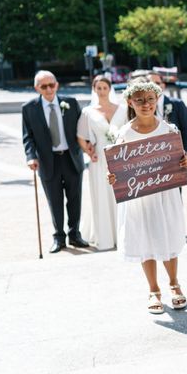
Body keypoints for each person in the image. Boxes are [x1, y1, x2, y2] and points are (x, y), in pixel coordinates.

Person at [107, 79, 187, 313]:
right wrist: (113, 177)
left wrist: (186, 160)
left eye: (150, 100)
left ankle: (175, 284)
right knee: (145, 238)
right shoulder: (124, 134)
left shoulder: (169, 130)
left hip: (165, 195)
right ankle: (153, 290)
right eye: (140, 100)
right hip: (139, 197)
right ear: (131, 102)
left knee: (167, 236)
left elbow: (180, 160)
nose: (146, 104)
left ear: (157, 101)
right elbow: (117, 168)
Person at [22, 70, 89, 253]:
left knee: (75, 199)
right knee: (55, 200)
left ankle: (75, 234)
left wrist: (89, 147)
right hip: (47, 161)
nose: (49, 89)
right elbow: (28, 137)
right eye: (44, 86)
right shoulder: (29, 108)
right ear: (37, 88)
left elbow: (83, 130)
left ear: (57, 85)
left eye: (51, 85)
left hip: (71, 158)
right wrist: (31, 157)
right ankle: (59, 237)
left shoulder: (72, 103)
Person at [76, 75, 126, 250]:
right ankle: (105, 236)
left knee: (121, 195)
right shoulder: (88, 112)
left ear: (110, 89)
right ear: (94, 90)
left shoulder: (122, 109)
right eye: (99, 88)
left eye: (105, 88)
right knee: (103, 194)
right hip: (100, 159)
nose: (102, 91)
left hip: (121, 157)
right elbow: (81, 136)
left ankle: (123, 235)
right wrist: (89, 152)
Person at [147, 71, 187, 155]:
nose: (154, 86)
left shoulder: (177, 104)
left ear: (163, 86)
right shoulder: (143, 107)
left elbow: (186, 130)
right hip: (151, 153)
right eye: (150, 83)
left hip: (174, 151)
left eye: (157, 83)